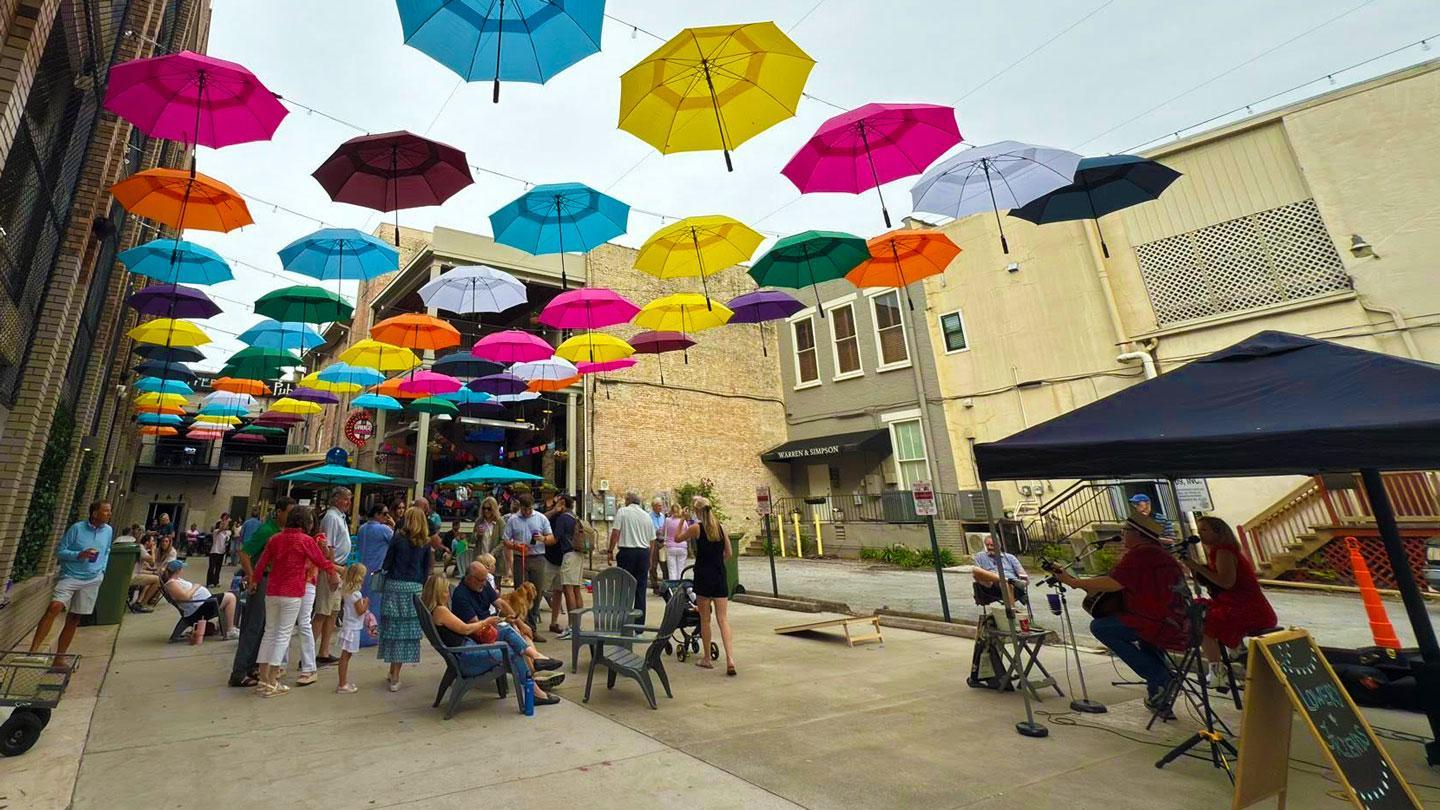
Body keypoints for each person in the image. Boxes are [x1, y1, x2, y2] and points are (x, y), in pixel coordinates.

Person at [1050, 511, 1187, 711]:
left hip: (1158, 619)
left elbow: (1114, 583)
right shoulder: (1157, 552)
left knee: (1101, 627)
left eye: (1126, 531)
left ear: (1138, 534)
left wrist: (1073, 581)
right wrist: (1077, 583)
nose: (1123, 535)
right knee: (1144, 640)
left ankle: (1159, 676)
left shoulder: (1141, 554)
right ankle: (1159, 695)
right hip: (1173, 617)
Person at [431, 571, 563, 704]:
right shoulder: (441, 612)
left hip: (466, 650)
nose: (448, 594)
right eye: (445, 591)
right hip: (467, 658)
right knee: (511, 652)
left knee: (505, 629)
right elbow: (466, 629)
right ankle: (535, 692)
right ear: (437, 593)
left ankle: (537, 658)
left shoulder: (439, 610)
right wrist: (486, 621)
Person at [250, 506, 338, 697]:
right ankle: (273, 680)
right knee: (283, 633)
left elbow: (262, 563)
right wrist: (334, 572)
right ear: (306, 523)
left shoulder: (275, 539)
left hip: (272, 589)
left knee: (270, 633)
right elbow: (321, 561)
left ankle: (263, 678)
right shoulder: (305, 540)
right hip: (293, 591)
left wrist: (254, 581)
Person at [1182, 516, 1278, 674]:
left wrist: (1197, 567)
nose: (1200, 534)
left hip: (1247, 609)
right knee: (1198, 609)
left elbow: (1226, 582)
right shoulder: (1216, 552)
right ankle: (1236, 650)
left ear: (1218, 532)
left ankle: (1217, 671)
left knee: (1203, 622)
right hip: (1236, 605)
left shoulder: (1224, 552)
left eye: (1204, 530)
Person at [30, 501, 114, 667]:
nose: (109, 514)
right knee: (54, 607)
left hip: (93, 578)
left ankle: (59, 658)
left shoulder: (108, 530)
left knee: (75, 617)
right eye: (106, 511)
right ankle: (32, 652)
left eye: (109, 511)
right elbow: (60, 551)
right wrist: (79, 554)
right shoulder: (77, 528)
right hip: (70, 576)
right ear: (95, 513)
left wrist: (102, 570)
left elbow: (106, 551)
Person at [230, 498, 293, 689]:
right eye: (289, 512)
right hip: (262, 579)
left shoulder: (279, 531)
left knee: (264, 627)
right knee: (253, 626)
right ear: (279, 512)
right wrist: (252, 576)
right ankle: (239, 671)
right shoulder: (266, 530)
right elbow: (244, 552)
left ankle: (251, 666)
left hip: (272, 581)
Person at [676, 497, 736, 676]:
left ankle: (707, 658)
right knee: (723, 619)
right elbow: (729, 553)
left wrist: (682, 520)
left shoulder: (696, 528)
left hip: (703, 575)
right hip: (719, 575)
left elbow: (677, 538)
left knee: (705, 619)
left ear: (697, 511)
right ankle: (730, 659)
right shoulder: (721, 528)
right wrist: (718, 562)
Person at [378, 506, 435, 692]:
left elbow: (387, 563)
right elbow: (426, 569)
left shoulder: (398, 539)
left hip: (394, 585)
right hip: (414, 588)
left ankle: (392, 671)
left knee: (393, 629)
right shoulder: (425, 543)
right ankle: (395, 673)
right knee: (407, 634)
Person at [503, 494, 553, 639]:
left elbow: (551, 538)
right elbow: (505, 541)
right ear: (520, 507)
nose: (527, 512)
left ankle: (532, 628)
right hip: (521, 558)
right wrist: (515, 545)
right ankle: (519, 627)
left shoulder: (541, 518)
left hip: (538, 557)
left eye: (529, 509)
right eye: (524, 509)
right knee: (520, 594)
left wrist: (543, 538)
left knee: (536, 593)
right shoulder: (513, 519)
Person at [313, 487, 353, 668]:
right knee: (323, 611)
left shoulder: (340, 518)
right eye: (346, 499)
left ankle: (324, 651)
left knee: (333, 612)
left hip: (340, 567)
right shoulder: (331, 517)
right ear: (336, 499)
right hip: (331, 568)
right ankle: (309, 653)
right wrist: (331, 571)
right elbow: (327, 547)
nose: (349, 502)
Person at [161, 559, 239, 642]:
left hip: (202, 604)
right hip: (198, 610)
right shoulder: (171, 584)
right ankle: (230, 630)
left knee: (233, 594)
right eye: (182, 568)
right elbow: (185, 597)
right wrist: (195, 587)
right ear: (178, 570)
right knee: (230, 597)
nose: (183, 570)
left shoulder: (176, 580)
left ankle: (226, 627)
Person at [608, 491, 654, 621]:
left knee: (624, 587)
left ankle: (623, 620)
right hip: (643, 553)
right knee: (640, 589)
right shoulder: (646, 516)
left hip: (627, 552)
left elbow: (616, 532)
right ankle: (638, 626)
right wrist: (650, 558)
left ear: (628, 501)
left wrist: (610, 550)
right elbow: (652, 540)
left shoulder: (623, 512)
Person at [543, 495, 583, 639]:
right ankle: (577, 625)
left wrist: (542, 539)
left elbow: (555, 539)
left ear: (562, 503)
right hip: (578, 555)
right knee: (576, 589)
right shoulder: (574, 517)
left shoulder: (562, 519)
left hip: (568, 555)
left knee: (568, 590)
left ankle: (572, 628)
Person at [335, 562, 372, 694]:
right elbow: (360, 611)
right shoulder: (357, 594)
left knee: (345, 655)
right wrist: (366, 604)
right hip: (353, 628)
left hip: (348, 625)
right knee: (346, 656)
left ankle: (342, 682)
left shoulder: (347, 592)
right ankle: (342, 683)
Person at [972, 535, 1029, 606]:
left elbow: (1023, 576)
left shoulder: (1010, 557)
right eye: (987, 545)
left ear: (999, 545)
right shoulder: (980, 556)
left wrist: (1024, 580)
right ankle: (1007, 580)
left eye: (992, 545)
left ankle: (1011, 611)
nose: (989, 547)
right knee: (975, 570)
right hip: (991, 586)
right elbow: (977, 575)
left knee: (1004, 583)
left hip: (1012, 586)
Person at [129, 534, 161, 613]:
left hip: (135, 573)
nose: (153, 543)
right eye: (152, 541)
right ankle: (141, 605)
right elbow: (152, 562)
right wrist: (153, 550)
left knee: (153, 577)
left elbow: (142, 568)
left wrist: (152, 571)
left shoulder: (142, 549)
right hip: (132, 576)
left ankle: (139, 601)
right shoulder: (141, 548)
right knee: (157, 580)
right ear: (147, 542)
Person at [662, 503, 690, 582]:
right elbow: (687, 533)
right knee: (681, 569)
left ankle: (673, 590)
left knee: (672, 570)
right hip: (682, 547)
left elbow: (663, 531)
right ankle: (681, 587)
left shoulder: (667, 520)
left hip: (670, 547)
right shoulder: (683, 522)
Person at [207, 517, 231, 588]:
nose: (223, 525)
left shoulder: (226, 533)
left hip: (221, 552)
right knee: (212, 567)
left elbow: (226, 541)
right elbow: (220, 529)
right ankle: (209, 582)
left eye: (224, 524)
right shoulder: (216, 531)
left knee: (218, 568)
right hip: (215, 551)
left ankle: (216, 581)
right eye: (221, 524)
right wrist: (225, 522)